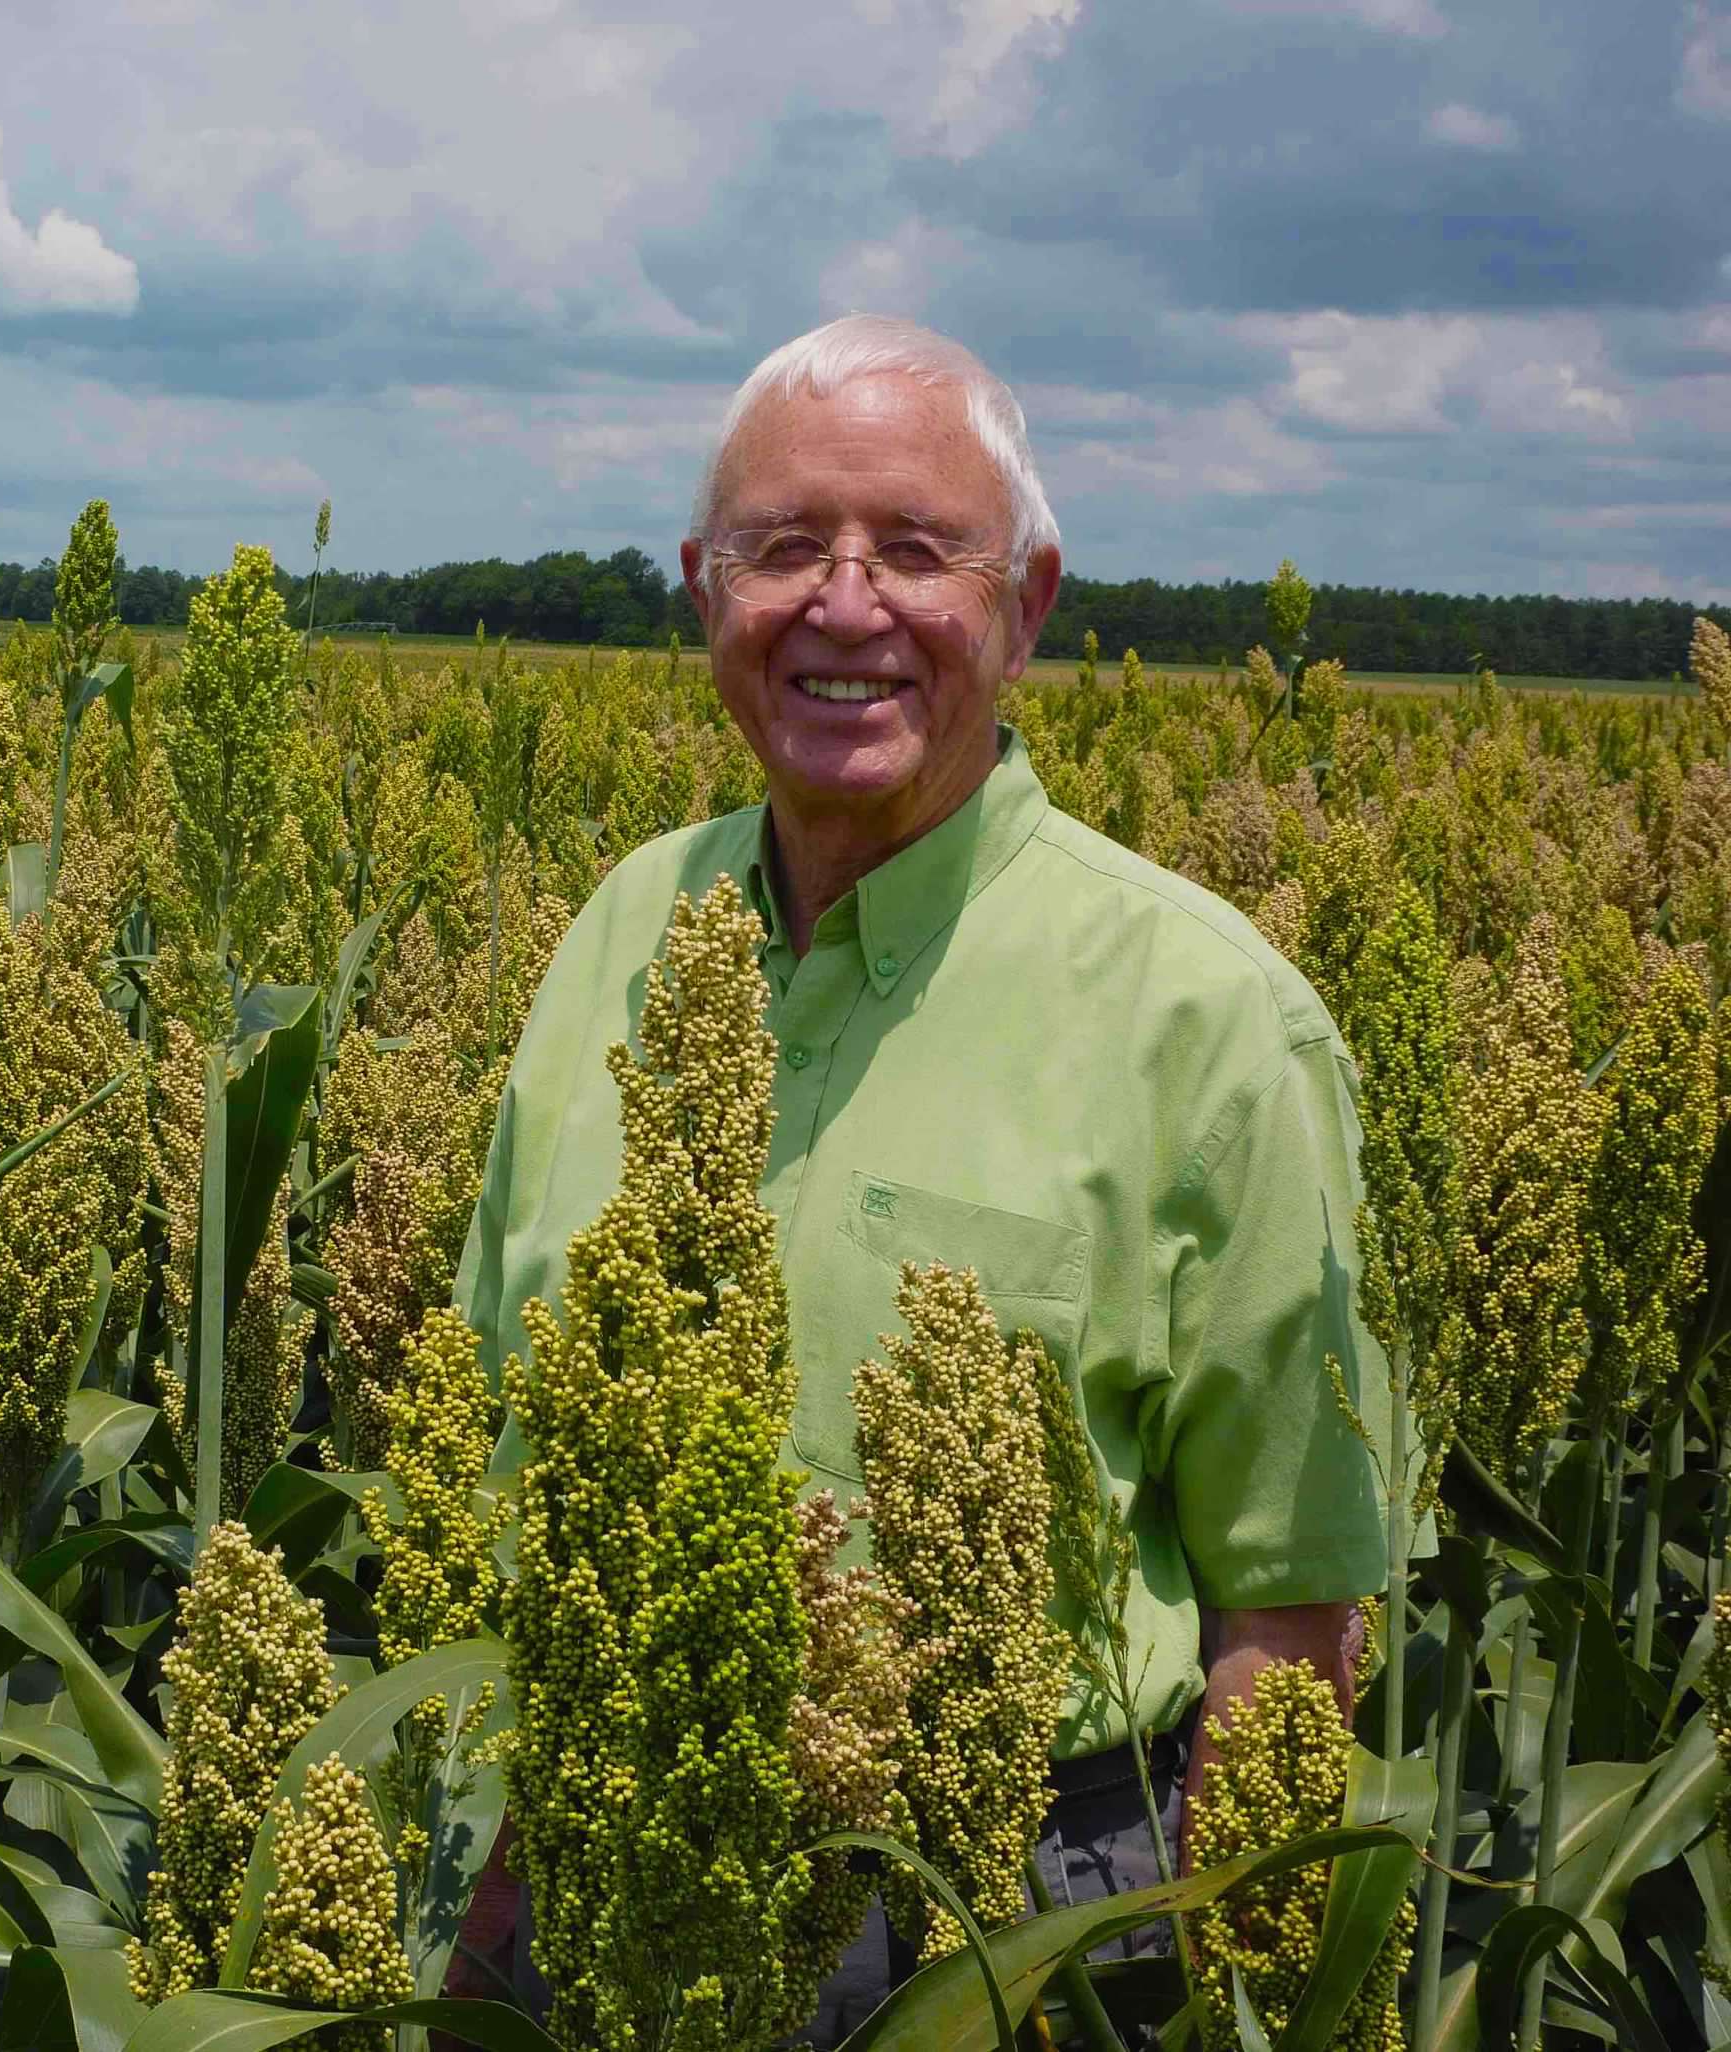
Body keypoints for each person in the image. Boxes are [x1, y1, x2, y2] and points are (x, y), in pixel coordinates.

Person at [443, 314, 1390, 2040]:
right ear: (702, 591)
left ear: (1023, 605)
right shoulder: (614, 939)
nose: (847, 604)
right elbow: (486, 1456)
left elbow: (1294, 1603)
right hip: (591, 1863)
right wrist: (475, 1894)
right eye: (784, 547)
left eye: (918, 551)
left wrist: (1243, 1991)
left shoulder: (1211, 1018)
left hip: (1006, 1910)